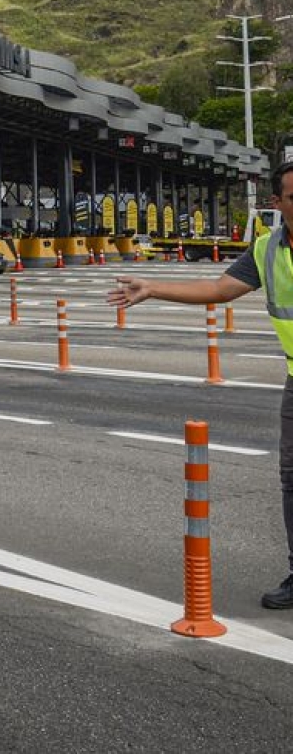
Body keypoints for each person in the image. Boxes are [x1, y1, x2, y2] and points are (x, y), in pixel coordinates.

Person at [108, 159, 293, 610]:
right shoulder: (267, 250)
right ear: (277, 203)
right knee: (292, 482)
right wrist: (153, 287)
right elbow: (219, 288)